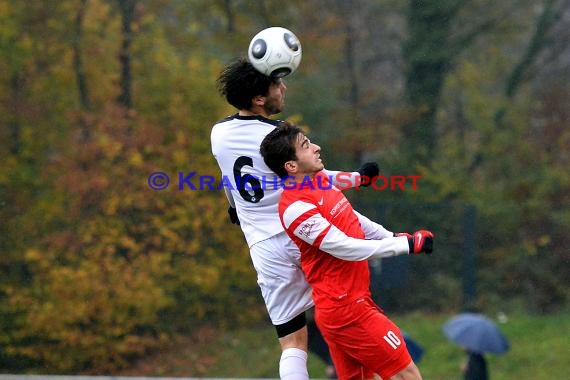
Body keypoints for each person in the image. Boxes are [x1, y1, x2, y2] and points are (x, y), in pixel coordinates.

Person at [210, 57, 379, 379]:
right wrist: (360, 178)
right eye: (277, 84)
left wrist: (234, 207)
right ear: (259, 99)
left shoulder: (218, 133)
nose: (283, 88)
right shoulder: (278, 135)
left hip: (263, 246)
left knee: (292, 340)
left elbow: (226, 179)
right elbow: (316, 175)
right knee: (346, 309)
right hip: (303, 232)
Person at [260, 121, 434, 380]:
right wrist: (405, 245)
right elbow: (345, 247)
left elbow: (351, 217)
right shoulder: (295, 207)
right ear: (291, 166)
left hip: (349, 305)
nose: (317, 148)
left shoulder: (318, 180)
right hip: (347, 311)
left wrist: (391, 235)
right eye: (307, 146)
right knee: (407, 375)